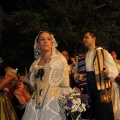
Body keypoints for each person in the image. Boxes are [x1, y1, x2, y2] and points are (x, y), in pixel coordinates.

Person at [22, 31, 71, 120]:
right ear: (38, 44)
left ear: (52, 42)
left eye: (48, 39)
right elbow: (29, 82)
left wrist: (70, 104)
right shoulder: (35, 64)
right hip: (34, 105)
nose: (45, 41)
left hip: (52, 104)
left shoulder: (59, 60)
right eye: (42, 39)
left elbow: (65, 86)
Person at [74, 31, 118, 120]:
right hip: (86, 90)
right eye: (83, 38)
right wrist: (77, 76)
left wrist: (108, 70)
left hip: (100, 90)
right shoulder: (81, 56)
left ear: (94, 39)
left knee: (103, 115)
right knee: (88, 116)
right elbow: (75, 72)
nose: (84, 40)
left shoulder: (104, 53)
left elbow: (115, 70)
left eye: (86, 37)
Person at [110, 50, 120, 119]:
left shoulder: (119, 63)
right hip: (110, 84)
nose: (112, 56)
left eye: (113, 54)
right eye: (111, 54)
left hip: (117, 84)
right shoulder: (108, 64)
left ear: (116, 55)